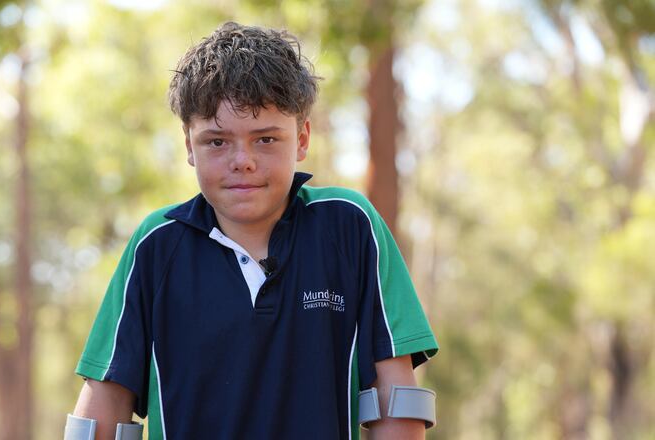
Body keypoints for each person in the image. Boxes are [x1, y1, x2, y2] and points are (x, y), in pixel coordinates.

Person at [68, 22, 438, 440]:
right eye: (217, 142)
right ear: (189, 146)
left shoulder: (350, 226)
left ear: (301, 139)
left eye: (265, 139)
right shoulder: (156, 245)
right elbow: (102, 413)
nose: (242, 160)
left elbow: (396, 403)